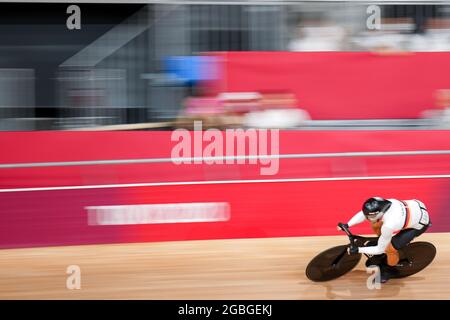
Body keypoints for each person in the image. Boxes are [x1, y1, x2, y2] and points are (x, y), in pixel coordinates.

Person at [339, 197, 431, 282]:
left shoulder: (389, 225)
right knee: (375, 224)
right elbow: (365, 213)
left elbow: (380, 250)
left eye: (370, 217)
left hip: (419, 224)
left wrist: (359, 249)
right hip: (416, 208)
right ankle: (384, 240)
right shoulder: (381, 202)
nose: (367, 218)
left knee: (389, 249)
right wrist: (348, 224)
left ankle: (390, 269)